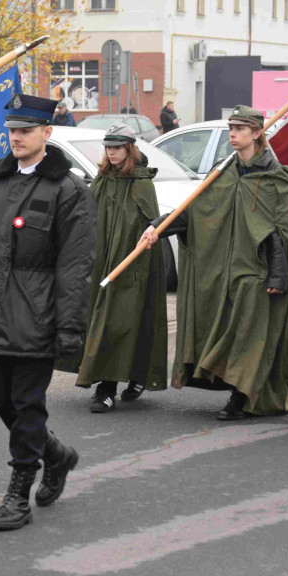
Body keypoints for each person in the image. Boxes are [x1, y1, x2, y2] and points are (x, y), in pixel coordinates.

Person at [0, 93, 96, 532]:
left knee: (27, 403)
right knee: (2, 400)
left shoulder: (68, 190)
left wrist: (70, 327)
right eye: (12, 129)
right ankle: (56, 455)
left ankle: (18, 492)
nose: (16, 137)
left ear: (47, 133)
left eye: (26, 130)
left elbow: (75, 267)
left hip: (39, 314)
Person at [141, 105, 288, 420]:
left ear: (257, 133)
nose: (233, 134)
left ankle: (240, 398)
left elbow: (281, 232)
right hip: (225, 268)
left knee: (249, 333)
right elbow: (194, 210)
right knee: (228, 328)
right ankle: (243, 392)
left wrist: (279, 277)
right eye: (231, 129)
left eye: (240, 129)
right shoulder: (224, 173)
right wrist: (158, 226)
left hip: (258, 270)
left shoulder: (275, 179)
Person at [76, 123, 167, 413]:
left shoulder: (142, 183)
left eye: (116, 147)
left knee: (125, 322)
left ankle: (113, 387)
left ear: (129, 148)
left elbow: (151, 226)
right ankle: (109, 384)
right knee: (102, 321)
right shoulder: (102, 180)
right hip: (101, 264)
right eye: (108, 147)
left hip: (132, 267)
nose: (111, 152)